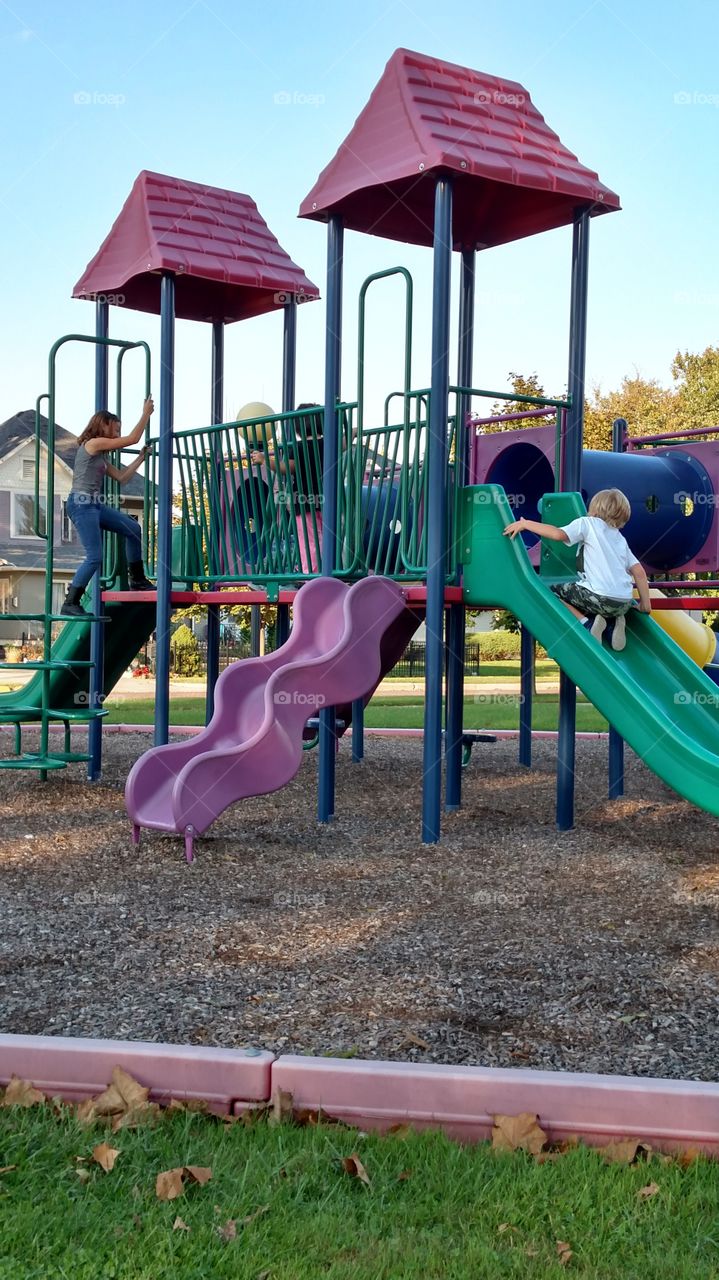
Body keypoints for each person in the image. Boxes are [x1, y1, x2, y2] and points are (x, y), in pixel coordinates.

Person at [503, 487, 652, 651]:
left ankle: (587, 624)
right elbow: (639, 572)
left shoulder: (587, 523)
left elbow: (559, 535)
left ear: (594, 509)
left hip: (598, 598)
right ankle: (613, 624)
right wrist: (645, 604)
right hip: (623, 603)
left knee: (549, 591)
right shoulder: (620, 539)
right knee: (594, 597)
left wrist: (526, 524)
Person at [61, 396, 155, 617]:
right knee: (95, 556)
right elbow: (132, 439)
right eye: (115, 429)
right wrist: (146, 414)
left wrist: (140, 459)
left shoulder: (101, 456)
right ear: (103, 425)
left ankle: (138, 580)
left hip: (94, 506)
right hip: (81, 505)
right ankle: (71, 602)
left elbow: (122, 478)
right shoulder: (92, 444)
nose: (118, 434)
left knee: (134, 528)